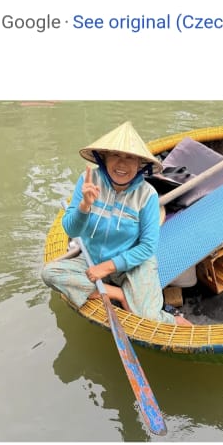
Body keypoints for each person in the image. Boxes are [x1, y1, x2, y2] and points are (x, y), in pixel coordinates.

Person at [41, 122, 192, 326]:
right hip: (92, 258)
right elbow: (70, 229)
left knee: (149, 320)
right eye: (116, 155)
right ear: (104, 157)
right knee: (49, 273)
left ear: (140, 164)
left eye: (130, 158)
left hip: (132, 263)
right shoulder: (88, 181)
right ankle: (119, 294)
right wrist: (85, 205)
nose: (122, 164)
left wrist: (108, 267)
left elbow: (147, 247)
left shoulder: (147, 195)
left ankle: (176, 321)